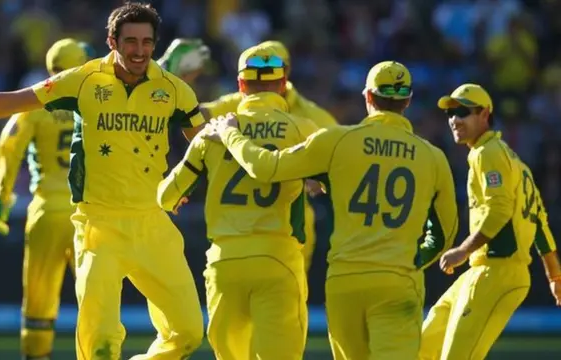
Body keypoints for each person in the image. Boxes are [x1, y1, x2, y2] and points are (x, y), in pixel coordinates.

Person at [0, 3, 205, 359]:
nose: (140, 50)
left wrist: (184, 182)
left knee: (190, 333)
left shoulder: (175, 90)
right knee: (99, 347)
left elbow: (206, 144)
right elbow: (11, 102)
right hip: (99, 227)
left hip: (154, 225)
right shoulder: (83, 79)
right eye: (130, 41)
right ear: (111, 41)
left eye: (147, 42)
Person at [205, 61, 459, 360]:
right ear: (408, 101)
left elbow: (266, 168)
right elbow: (445, 230)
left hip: (345, 282)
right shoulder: (433, 157)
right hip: (398, 280)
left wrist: (231, 134)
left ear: (368, 97)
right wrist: (416, 259)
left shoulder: (336, 141)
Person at [158, 44, 316, 360]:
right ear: (283, 84)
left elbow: (165, 197)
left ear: (241, 85)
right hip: (278, 261)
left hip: (224, 265)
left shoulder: (212, 131)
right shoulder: (304, 129)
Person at [420, 84, 561, 360]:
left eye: (462, 111)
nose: (454, 119)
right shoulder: (514, 161)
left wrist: (463, 250)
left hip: (497, 271)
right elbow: (540, 222)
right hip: (483, 270)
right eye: (450, 113)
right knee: (423, 347)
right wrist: (555, 275)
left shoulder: (489, 153)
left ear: (485, 114)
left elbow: (499, 211)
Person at [0, 38, 89, 360]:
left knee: (39, 300)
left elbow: (9, 145)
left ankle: (36, 354)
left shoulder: (36, 103)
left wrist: (1, 198)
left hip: (45, 210)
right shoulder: (95, 101)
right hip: (87, 214)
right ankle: (99, 351)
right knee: (95, 296)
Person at [198, 40, 336, 272]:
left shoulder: (242, 101)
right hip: (271, 223)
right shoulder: (310, 118)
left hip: (255, 222)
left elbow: (195, 117)